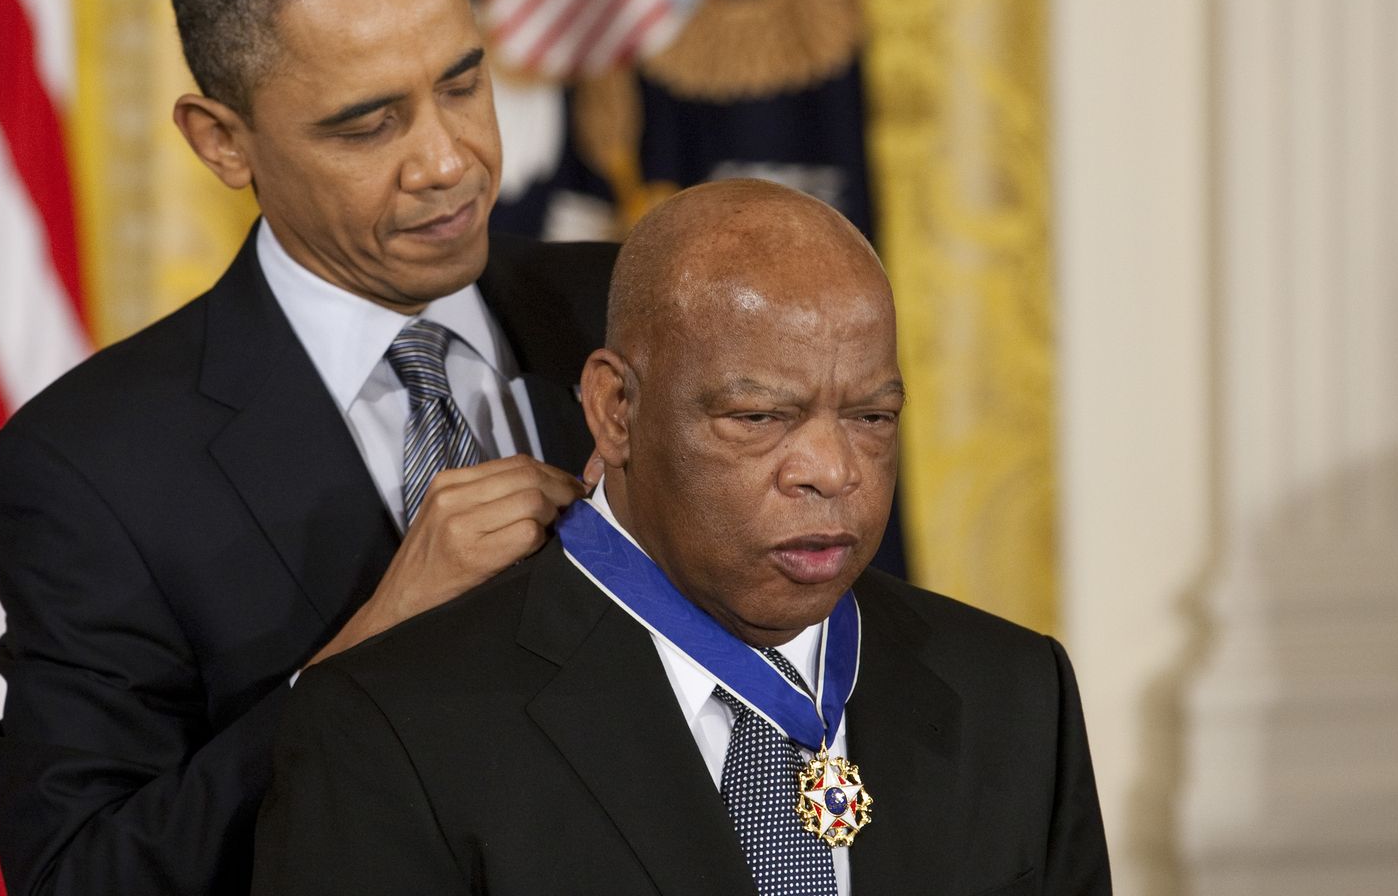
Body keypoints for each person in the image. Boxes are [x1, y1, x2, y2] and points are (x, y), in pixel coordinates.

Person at [0, 0, 616, 895]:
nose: (448, 161)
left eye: (461, 83)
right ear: (223, 141)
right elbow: (82, 874)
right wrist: (367, 654)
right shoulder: (93, 466)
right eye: (368, 123)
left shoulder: (632, 314)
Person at [254, 180, 1112, 895]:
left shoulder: (1017, 694)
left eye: (872, 416)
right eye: (759, 417)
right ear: (616, 410)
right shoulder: (392, 731)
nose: (832, 470)